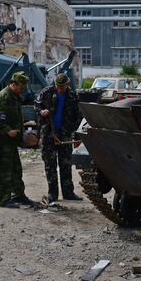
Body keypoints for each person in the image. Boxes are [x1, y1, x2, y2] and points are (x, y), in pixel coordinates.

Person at [36, 73, 83, 202]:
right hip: (48, 134)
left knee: (66, 164)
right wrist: (41, 112)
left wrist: (75, 134)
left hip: (65, 134)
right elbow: (37, 105)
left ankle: (68, 192)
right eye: (58, 86)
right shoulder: (47, 92)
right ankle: (53, 194)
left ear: (67, 85)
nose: (60, 89)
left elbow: (78, 116)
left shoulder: (73, 96)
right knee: (50, 165)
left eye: (62, 86)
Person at [0, 71, 33, 208]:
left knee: (15, 169)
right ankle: (4, 199)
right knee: (3, 170)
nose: (22, 90)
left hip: (11, 142)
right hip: (3, 140)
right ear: (13, 84)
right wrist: (8, 130)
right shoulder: (4, 96)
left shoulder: (14, 96)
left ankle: (18, 195)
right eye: (21, 87)